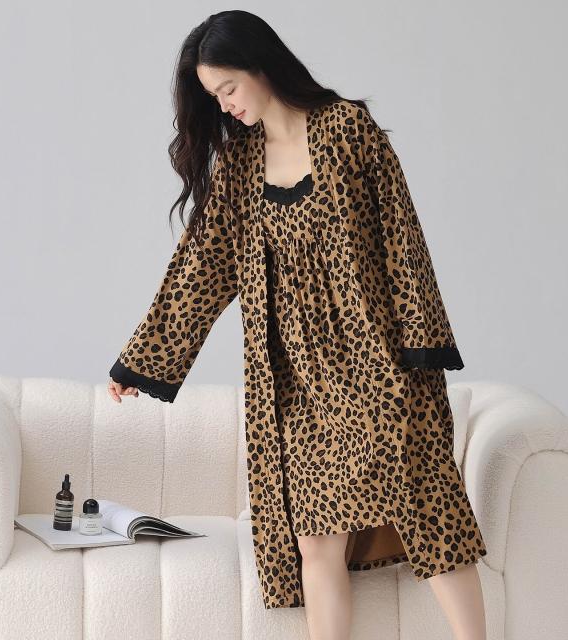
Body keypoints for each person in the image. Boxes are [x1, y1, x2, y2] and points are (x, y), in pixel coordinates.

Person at [108, 10, 487, 640]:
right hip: (295, 385)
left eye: (228, 87)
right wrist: (142, 362)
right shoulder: (239, 166)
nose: (224, 105)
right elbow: (201, 267)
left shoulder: (348, 130)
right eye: (213, 96)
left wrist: (420, 351)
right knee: (315, 540)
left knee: (429, 516)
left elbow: (402, 240)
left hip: (378, 368)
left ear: (260, 66)